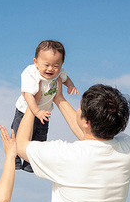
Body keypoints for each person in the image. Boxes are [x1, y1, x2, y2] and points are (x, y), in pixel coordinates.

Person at [17, 83, 130, 202]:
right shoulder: (127, 147)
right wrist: (59, 99)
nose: (78, 108)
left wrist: (32, 104)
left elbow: (21, 145)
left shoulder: (68, 156)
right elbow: (91, 137)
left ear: (87, 122)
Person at [11, 39, 79, 172]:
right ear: (36, 62)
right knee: (18, 134)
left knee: (40, 136)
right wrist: (36, 111)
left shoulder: (60, 72)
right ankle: (14, 160)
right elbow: (28, 95)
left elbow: (65, 78)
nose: (50, 69)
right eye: (46, 64)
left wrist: (70, 85)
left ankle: (31, 164)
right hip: (26, 110)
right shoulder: (31, 73)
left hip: (45, 111)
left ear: (61, 64)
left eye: (55, 65)